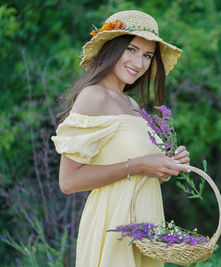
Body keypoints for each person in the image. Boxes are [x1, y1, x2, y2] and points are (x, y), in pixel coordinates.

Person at [51, 10, 190, 267]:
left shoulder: (131, 104)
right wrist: (139, 165)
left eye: (147, 55)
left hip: (145, 225)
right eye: (131, 49)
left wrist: (167, 164)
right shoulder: (94, 96)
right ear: (112, 49)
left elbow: (140, 174)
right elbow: (68, 182)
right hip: (114, 226)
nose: (139, 63)